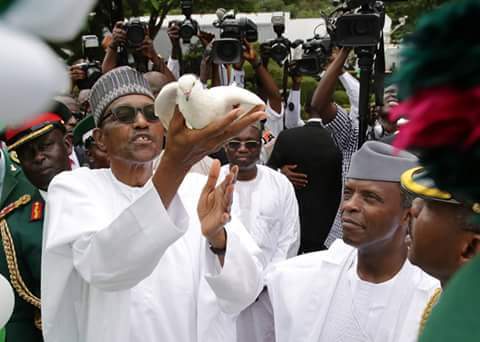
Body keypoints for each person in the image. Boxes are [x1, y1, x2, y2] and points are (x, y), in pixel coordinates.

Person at [41, 66, 267, 342]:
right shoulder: (74, 188)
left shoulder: (199, 190)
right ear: (100, 139)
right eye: (124, 115)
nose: (140, 122)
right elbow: (104, 268)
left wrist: (218, 239)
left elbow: (245, 293)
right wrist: (175, 164)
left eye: (151, 114)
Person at [265, 141, 439, 342]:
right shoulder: (296, 279)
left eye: (370, 197)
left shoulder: (430, 298)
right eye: (348, 193)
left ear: (407, 215)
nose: (349, 205)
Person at [221, 123, 300, 342]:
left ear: (261, 146)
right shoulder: (214, 182)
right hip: (221, 292)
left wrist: (262, 284)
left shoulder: (280, 184)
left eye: (251, 144)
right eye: (235, 143)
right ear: (225, 146)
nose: (243, 149)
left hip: (266, 295)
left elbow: (289, 239)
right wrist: (233, 283)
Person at [0, 110, 72, 342]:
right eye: (26, 153)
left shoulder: (107, 192)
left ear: (68, 144)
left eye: (46, 145)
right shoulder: (14, 225)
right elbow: (17, 314)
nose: (38, 157)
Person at [267, 109, 343, 252]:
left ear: (306, 111)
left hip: (290, 225)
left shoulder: (287, 136)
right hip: (328, 229)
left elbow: (268, 173)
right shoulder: (339, 140)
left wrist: (281, 174)